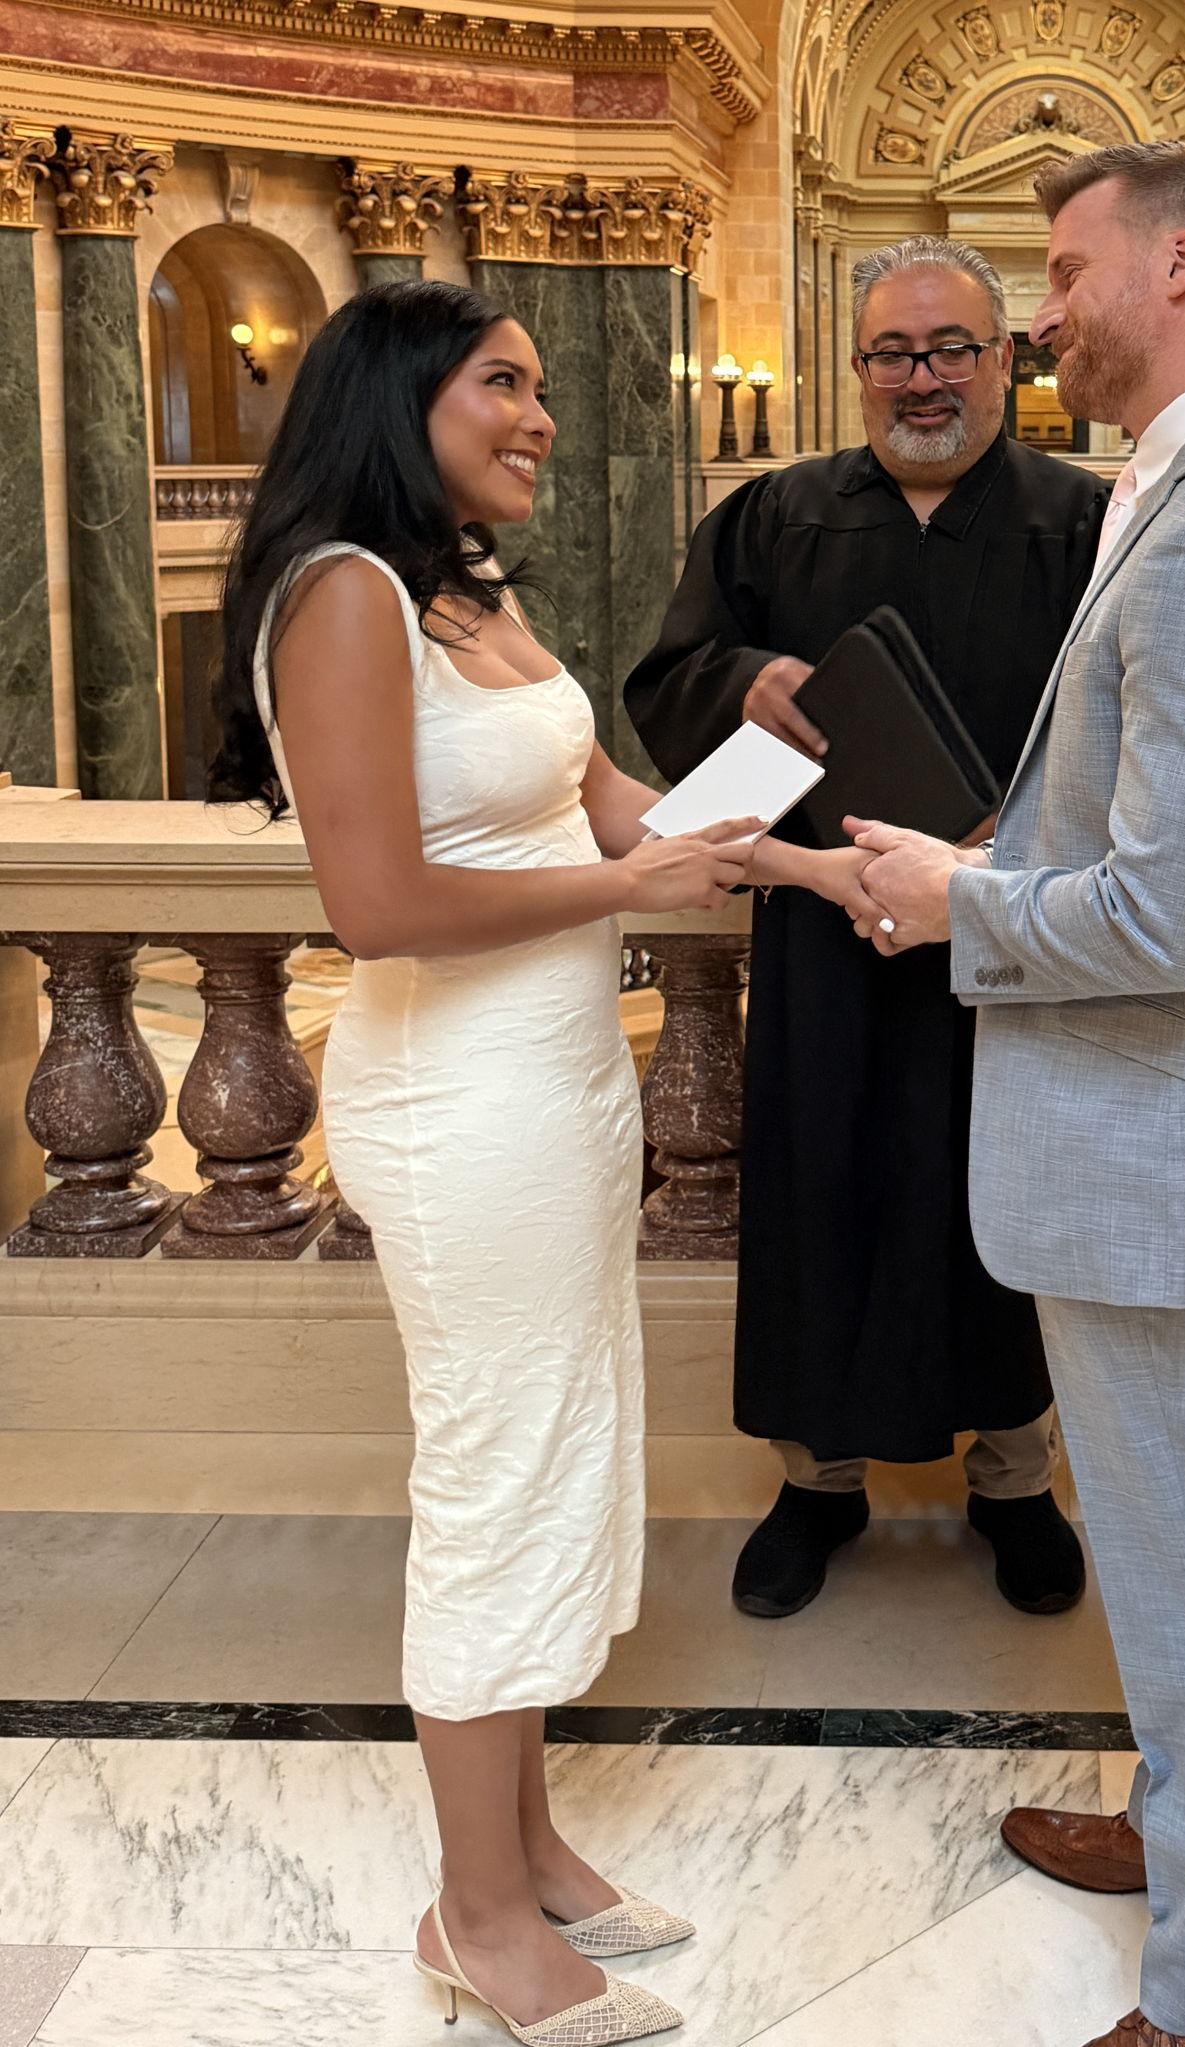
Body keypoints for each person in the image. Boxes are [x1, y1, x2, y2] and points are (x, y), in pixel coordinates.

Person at [846, 143, 1185, 2047]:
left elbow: (1160, 918)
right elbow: (1141, 833)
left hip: (1167, 1148)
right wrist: (984, 849)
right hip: (1165, 1139)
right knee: (1169, 1543)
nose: (1042, 312)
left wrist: (957, 901)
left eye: (1063, 274)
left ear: (1174, 267)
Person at [209, 280, 756, 2046]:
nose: (539, 415)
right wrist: (636, 890)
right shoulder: (344, 594)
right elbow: (373, 907)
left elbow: (615, 807)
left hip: (561, 1086)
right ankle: (472, 1919)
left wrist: (803, 848)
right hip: (455, 1105)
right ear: (400, 399)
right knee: (496, 1477)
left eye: (537, 385)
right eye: (501, 385)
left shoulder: (464, 591)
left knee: (565, 1450)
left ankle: (526, 1847)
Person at [624, 236, 1106, 1620]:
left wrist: (1008, 852)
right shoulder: (773, 520)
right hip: (829, 944)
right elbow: (665, 681)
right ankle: (814, 1482)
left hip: (1009, 943)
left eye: (952, 347)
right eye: (893, 353)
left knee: (1000, 1214)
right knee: (821, 1197)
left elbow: (1133, 719)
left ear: (1006, 359)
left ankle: (1015, 1479)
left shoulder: (1082, 524)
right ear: (856, 369)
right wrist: (743, 679)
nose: (923, 379)